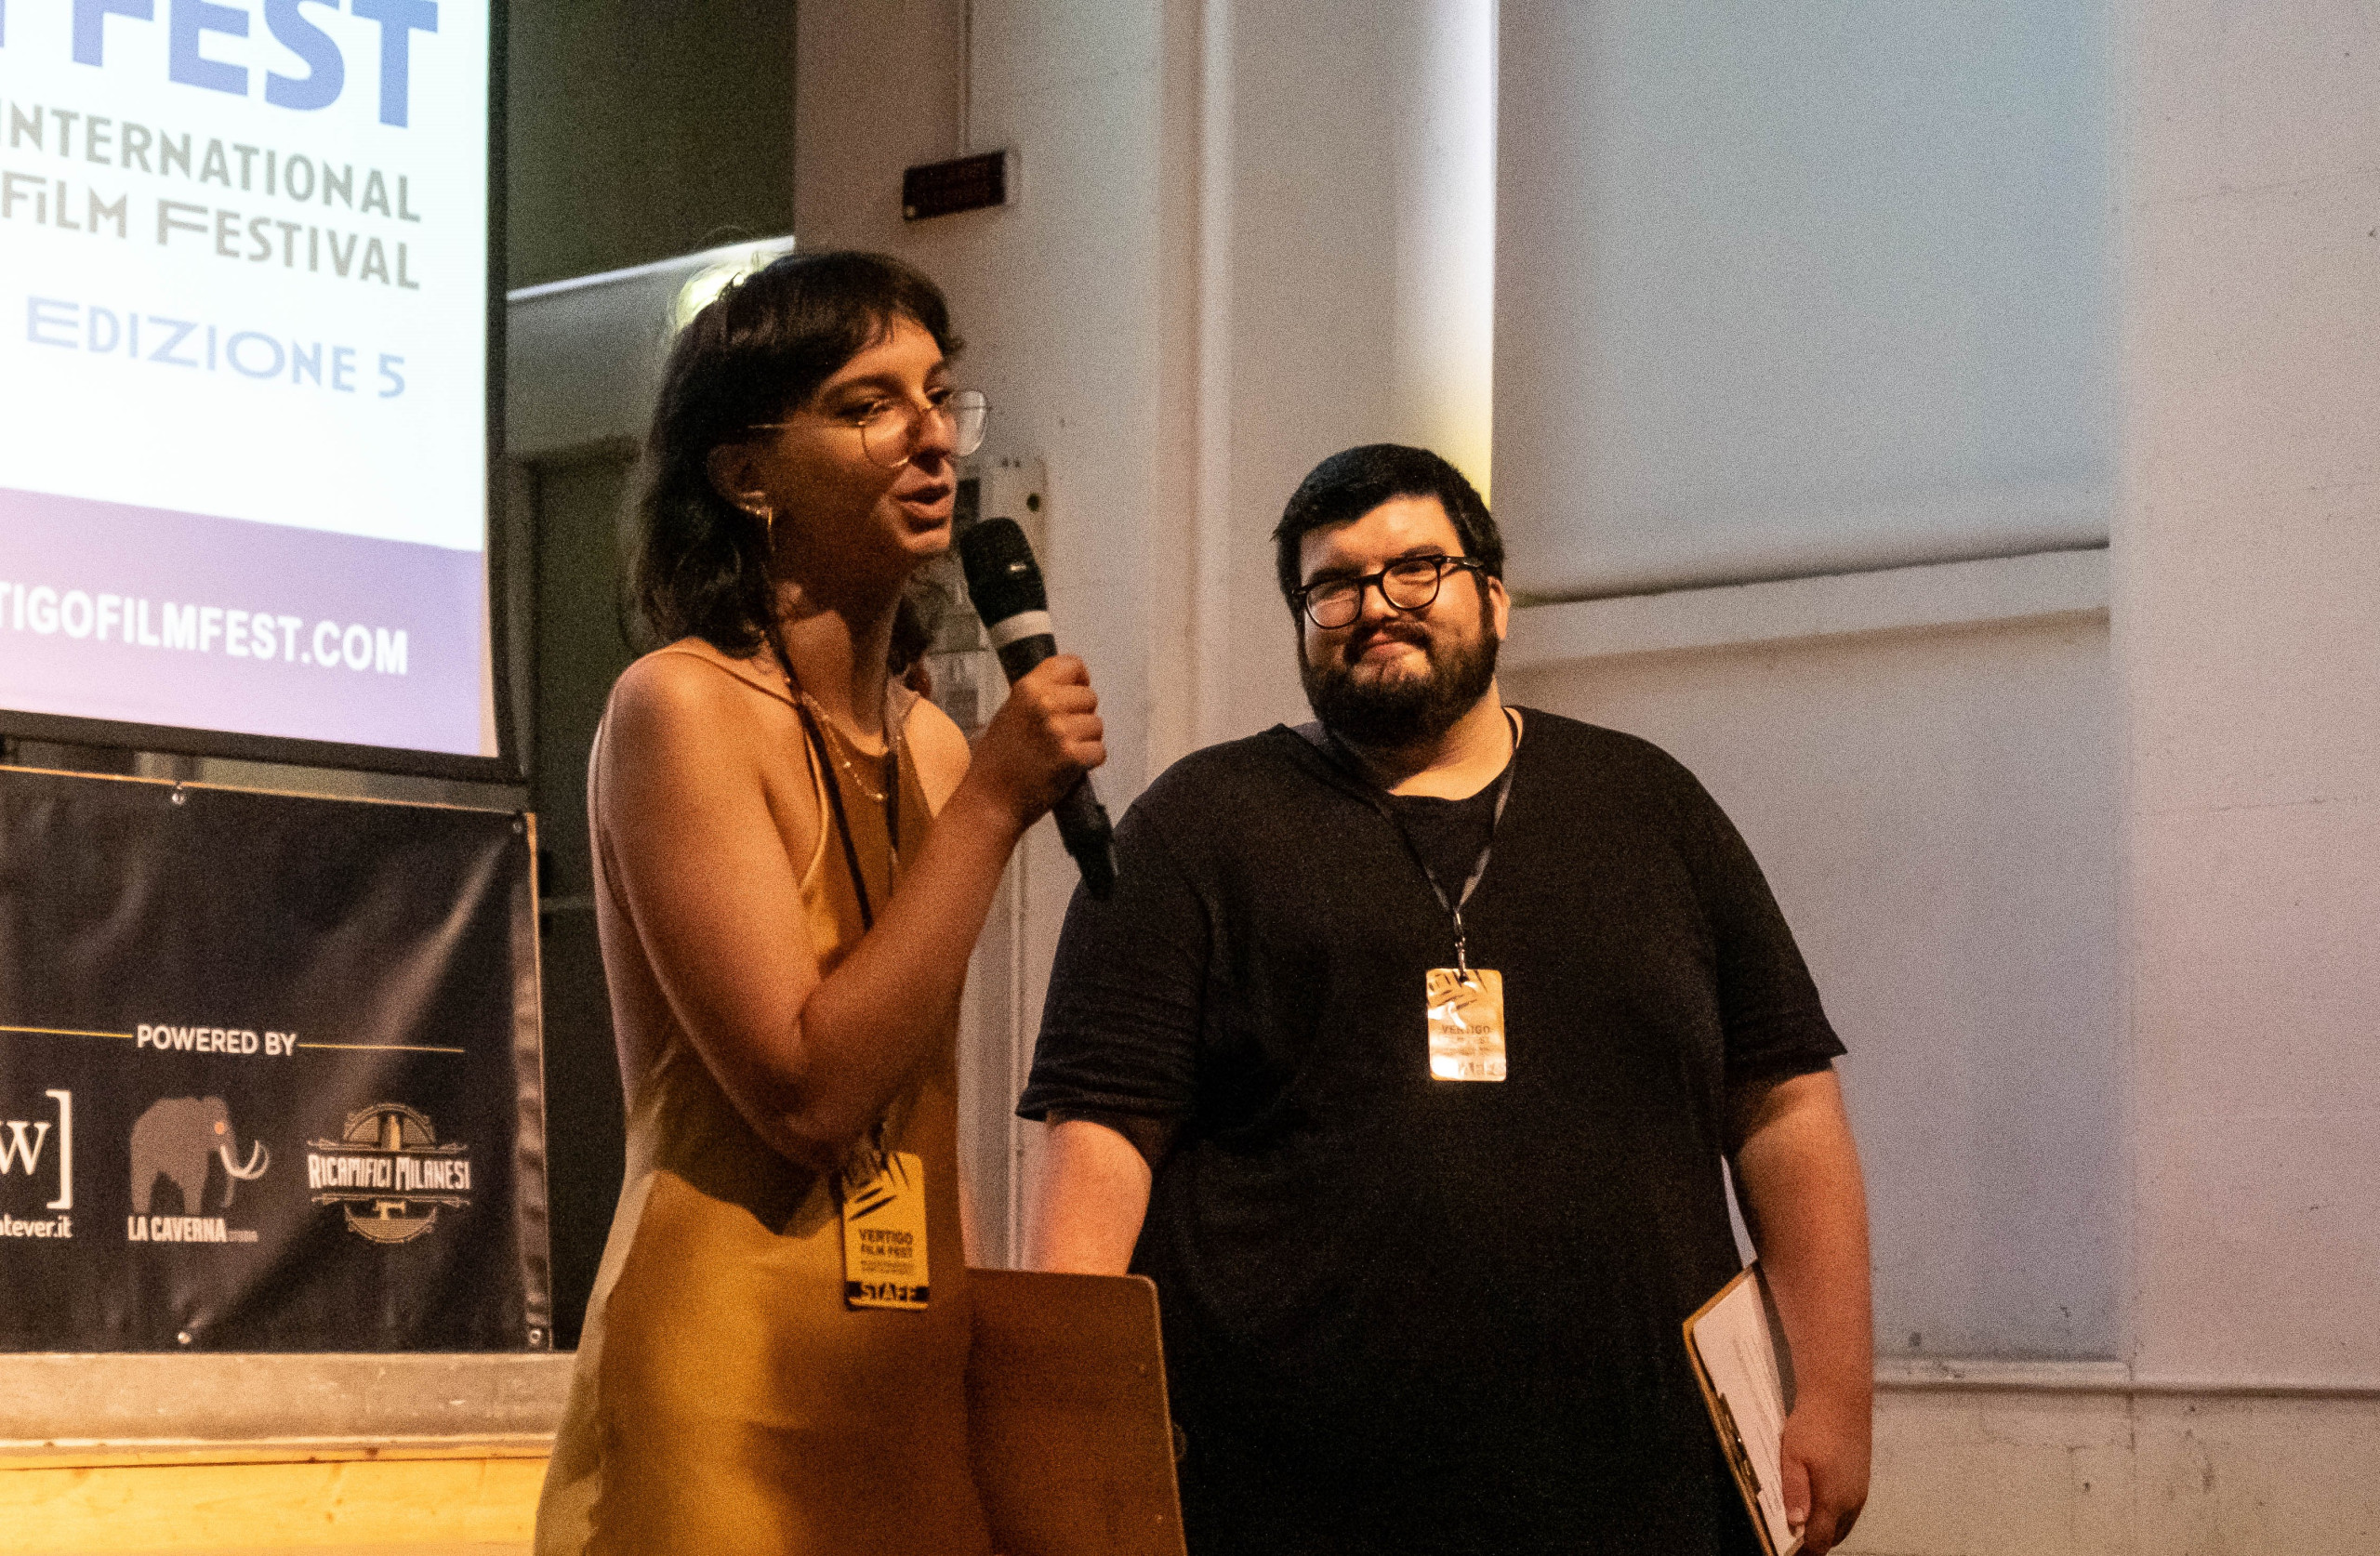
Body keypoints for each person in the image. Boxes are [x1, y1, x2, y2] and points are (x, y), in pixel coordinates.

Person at [1020, 444, 1871, 1555]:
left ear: (1496, 598)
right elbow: (1099, 1146)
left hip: (1642, 1492)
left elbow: (1785, 1107)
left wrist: (1836, 1397)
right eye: (1333, 586)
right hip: (1286, 1504)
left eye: (1417, 569)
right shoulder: (1196, 829)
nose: (1376, 606)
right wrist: (1068, 1444)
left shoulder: (1650, 808)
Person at [535, 252, 1104, 1554]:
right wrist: (994, 806)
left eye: (938, 394)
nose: (929, 435)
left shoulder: (937, 746)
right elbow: (806, 1095)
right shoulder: (679, 707)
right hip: (726, 1386)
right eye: (867, 404)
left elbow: (915, 1092)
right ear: (747, 474)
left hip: (905, 1380)